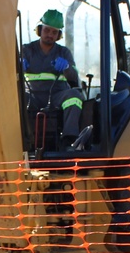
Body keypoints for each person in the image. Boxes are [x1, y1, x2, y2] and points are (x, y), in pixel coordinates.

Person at [21, 9, 84, 148]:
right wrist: (18, 66)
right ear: (39, 30)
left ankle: (69, 140)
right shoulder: (26, 50)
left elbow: (73, 76)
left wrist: (66, 67)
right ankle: (18, 138)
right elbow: (10, 73)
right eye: (47, 30)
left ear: (58, 35)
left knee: (74, 96)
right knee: (13, 97)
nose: (50, 35)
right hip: (31, 96)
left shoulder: (64, 52)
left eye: (54, 32)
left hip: (56, 96)